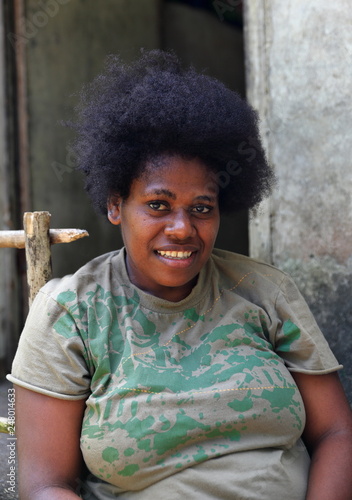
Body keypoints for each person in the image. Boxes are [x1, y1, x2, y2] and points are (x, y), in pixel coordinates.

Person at [8, 50, 352, 500]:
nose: (182, 228)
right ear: (116, 205)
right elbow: (45, 485)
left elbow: (336, 434)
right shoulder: (71, 314)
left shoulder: (264, 292)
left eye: (201, 209)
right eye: (158, 205)